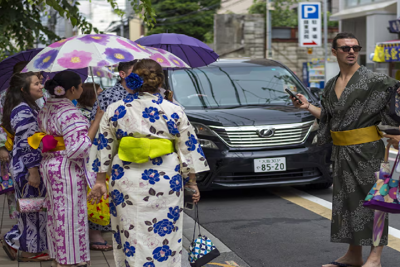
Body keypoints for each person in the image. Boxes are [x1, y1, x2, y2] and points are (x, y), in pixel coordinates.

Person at [291, 32, 399, 267]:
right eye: (345, 48)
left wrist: (396, 132)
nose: (351, 51)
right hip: (342, 153)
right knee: (348, 203)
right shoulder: (331, 85)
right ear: (334, 52)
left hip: (367, 151)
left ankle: (375, 257)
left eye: (355, 48)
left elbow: (396, 100)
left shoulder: (374, 80)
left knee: (376, 202)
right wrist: (308, 106)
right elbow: (329, 119)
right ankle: (354, 255)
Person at [87, 59, 209, 267]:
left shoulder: (116, 109)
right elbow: (188, 149)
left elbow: (104, 146)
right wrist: (192, 182)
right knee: (166, 232)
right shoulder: (173, 110)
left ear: (134, 79)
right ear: (160, 81)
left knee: (129, 232)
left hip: (126, 179)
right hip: (165, 179)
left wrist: (100, 180)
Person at [34, 71, 103, 267]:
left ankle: (58, 256)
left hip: (50, 164)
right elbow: (77, 149)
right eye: (81, 86)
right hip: (66, 168)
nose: (82, 89)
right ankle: (70, 261)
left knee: (56, 214)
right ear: (72, 89)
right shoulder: (70, 113)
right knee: (70, 215)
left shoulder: (47, 108)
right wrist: (95, 122)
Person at [1, 72, 49, 262]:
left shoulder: (29, 107)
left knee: (33, 209)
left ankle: (20, 244)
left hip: (27, 167)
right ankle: (26, 249)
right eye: (36, 84)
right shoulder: (23, 110)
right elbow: (27, 144)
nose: (41, 86)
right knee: (32, 210)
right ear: (24, 89)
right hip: (27, 168)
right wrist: (33, 171)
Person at [76, 82, 112, 252]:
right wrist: (97, 120)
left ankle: (97, 231)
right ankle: (93, 234)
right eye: (98, 92)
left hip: (100, 157)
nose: (102, 94)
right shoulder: (81, 114)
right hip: (90, 159)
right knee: (94, 198)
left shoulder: (93, 111)